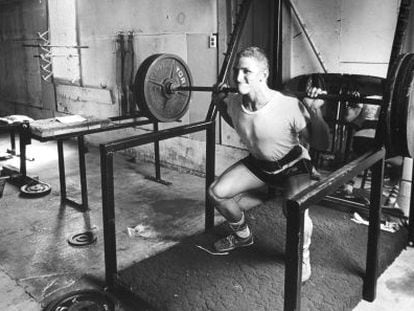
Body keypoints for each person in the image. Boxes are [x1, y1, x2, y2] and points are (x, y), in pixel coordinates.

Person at [208, 47, 330, 282]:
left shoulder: (287, 105)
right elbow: (235, 121)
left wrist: (315, 111)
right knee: (217, 193)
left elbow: (323, 143)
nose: (238, 77)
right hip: (260, 165)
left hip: (293, 164)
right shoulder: (234, 102)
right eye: (236, 70)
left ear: (263, 75)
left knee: (293, 210)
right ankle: (243, 237)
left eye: (246, 71)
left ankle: (302, 255)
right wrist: (219, 102)